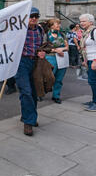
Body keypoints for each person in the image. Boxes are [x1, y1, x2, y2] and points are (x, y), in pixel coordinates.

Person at [15, 7, 47, 136]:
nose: (34, 18)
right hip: (21, 63)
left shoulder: (40, 29)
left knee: (34, 93)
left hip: (35, 63)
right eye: (31, 16)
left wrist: (43, 52)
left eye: (36, 16)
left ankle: (28, 116)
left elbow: (43, 46)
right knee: (26, 92)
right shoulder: (18, 30)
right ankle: (29, 121)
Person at [79, 14, 96, 112]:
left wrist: (95, 61)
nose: (81, 23)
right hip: (90, 59)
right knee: (92, 81)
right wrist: (85, 60)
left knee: (93, 81)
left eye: (84, 21)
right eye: (80, 21)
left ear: (91, 22)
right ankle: (95, 101)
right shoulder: (87, 32)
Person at [45, 19, 68, 104]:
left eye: (59, 24)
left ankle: (56, 96)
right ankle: (40, 94)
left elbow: (67, 47)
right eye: (56, 24)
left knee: (59, 79)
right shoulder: (46, 35)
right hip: (50, 58)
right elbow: (43, 47)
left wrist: (61, 49)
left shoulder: (62, 34)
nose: (58, 26)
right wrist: (56, 50)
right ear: (51, 26)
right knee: (48, 78)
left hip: (62, 58)